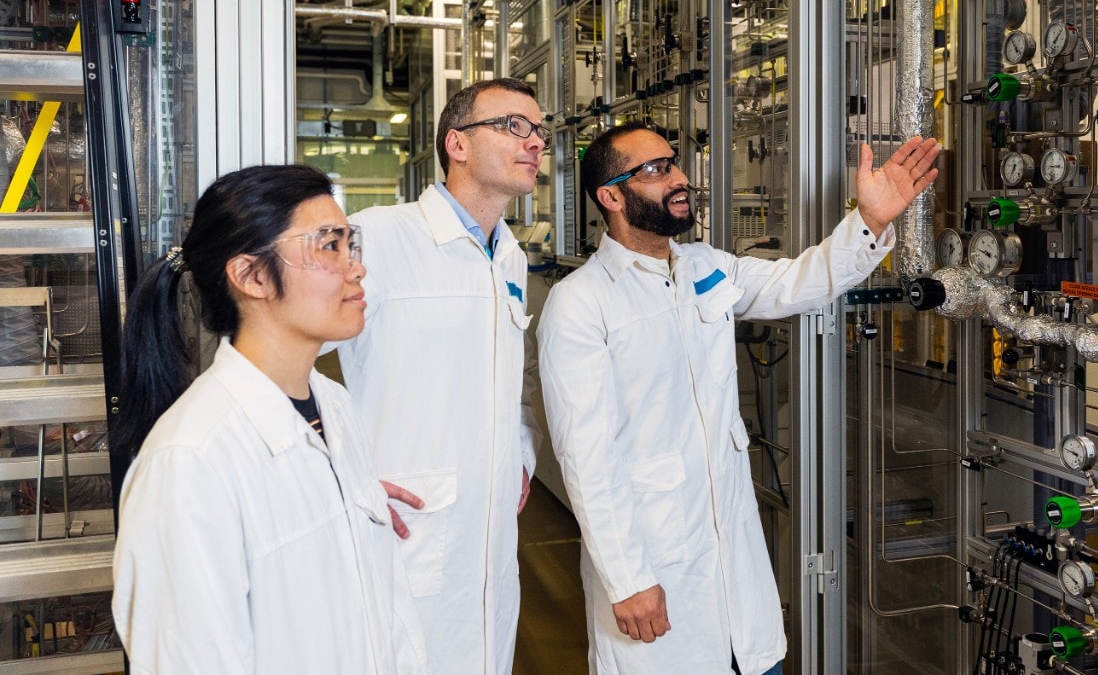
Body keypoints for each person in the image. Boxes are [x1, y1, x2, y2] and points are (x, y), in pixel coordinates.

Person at [537, 124, 940, 675]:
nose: (679, 178)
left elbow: (800, 282)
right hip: (654, 566)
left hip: (736, 570)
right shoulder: (580, 303)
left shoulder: (704, 267)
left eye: (674, 163)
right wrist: (628, 579)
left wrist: (870, 220)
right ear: (611, 195)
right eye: (656, 170)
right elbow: (586, 459)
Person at [111, 165, 430, 674]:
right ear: (252, 276)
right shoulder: (190, 463)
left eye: (352, 244)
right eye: (329, 245)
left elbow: (382, 618)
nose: (357, 268)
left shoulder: (335, 409)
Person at [332, 77, 546, 674]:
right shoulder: (377, 236)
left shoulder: (511, 255)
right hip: (410, 528)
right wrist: (336, 470)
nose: (534, 143)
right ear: (457, 143)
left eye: (539, 132)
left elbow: (509, 374)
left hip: (491, 533)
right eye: (513, 126)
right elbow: (278, 352)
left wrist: (521, 452)